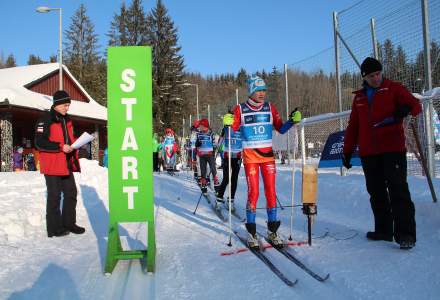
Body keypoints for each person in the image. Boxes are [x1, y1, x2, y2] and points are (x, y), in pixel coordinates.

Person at [342, 57, 421, 250]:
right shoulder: (359, 98)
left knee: (398, 190)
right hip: (369, 152)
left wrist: (405, 109)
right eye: (371, 76)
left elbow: (416, 106)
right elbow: (354, 126)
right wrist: (347, 151)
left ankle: (406, 234)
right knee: (376, 192)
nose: (376, 78)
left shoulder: (394, 88)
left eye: (378, 74)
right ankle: (384, 230)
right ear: (364, 77)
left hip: (392, 149)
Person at [225, 75, 301, 249]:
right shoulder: (240, 109)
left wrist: (292, 120)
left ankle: (272, 231)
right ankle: (251, 232)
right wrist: (227, 122)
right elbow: (232, 128)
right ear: (251, 91)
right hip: (250, 157)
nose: (262, 93)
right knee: (254, 192)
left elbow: (281, 128)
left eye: (264, 90)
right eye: (258, 90)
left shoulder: (269, 108)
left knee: (271, 192)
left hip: (267, 157)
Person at [34, 90, 85, 238]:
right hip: (51, 164)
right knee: (54, 196)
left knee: (71, 193)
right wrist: (59, 146)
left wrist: (76, 143)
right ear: (56, 104)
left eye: (68, 105)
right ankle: (54, 228)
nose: (67, 108)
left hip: (65, 163)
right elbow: (39, 142)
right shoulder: (45, 119)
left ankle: (69, 223)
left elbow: (68, 138)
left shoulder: (67, 119)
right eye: (64, 105)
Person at [215, 111, 242, 210]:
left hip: (238, 156)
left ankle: (231, 200)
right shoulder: (225, 129)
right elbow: (219, 143)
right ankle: (219, 199)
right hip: (227, 156)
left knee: (234, 179)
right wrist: (219, 147)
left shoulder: (241, 127)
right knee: (226, 179)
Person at [195, 118, 219, 195]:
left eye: (201, 126)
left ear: (206, 126)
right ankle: (204, 185)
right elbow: (196, 144)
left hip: (210, 154)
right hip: (202, 155)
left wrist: (214, 150)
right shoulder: (199, 134)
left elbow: (214, 144)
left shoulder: (211, 134)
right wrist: (197, 144)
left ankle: (216, 184)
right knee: (203, 170)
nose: (200, 127)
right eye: (200, 126)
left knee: (213, 169)